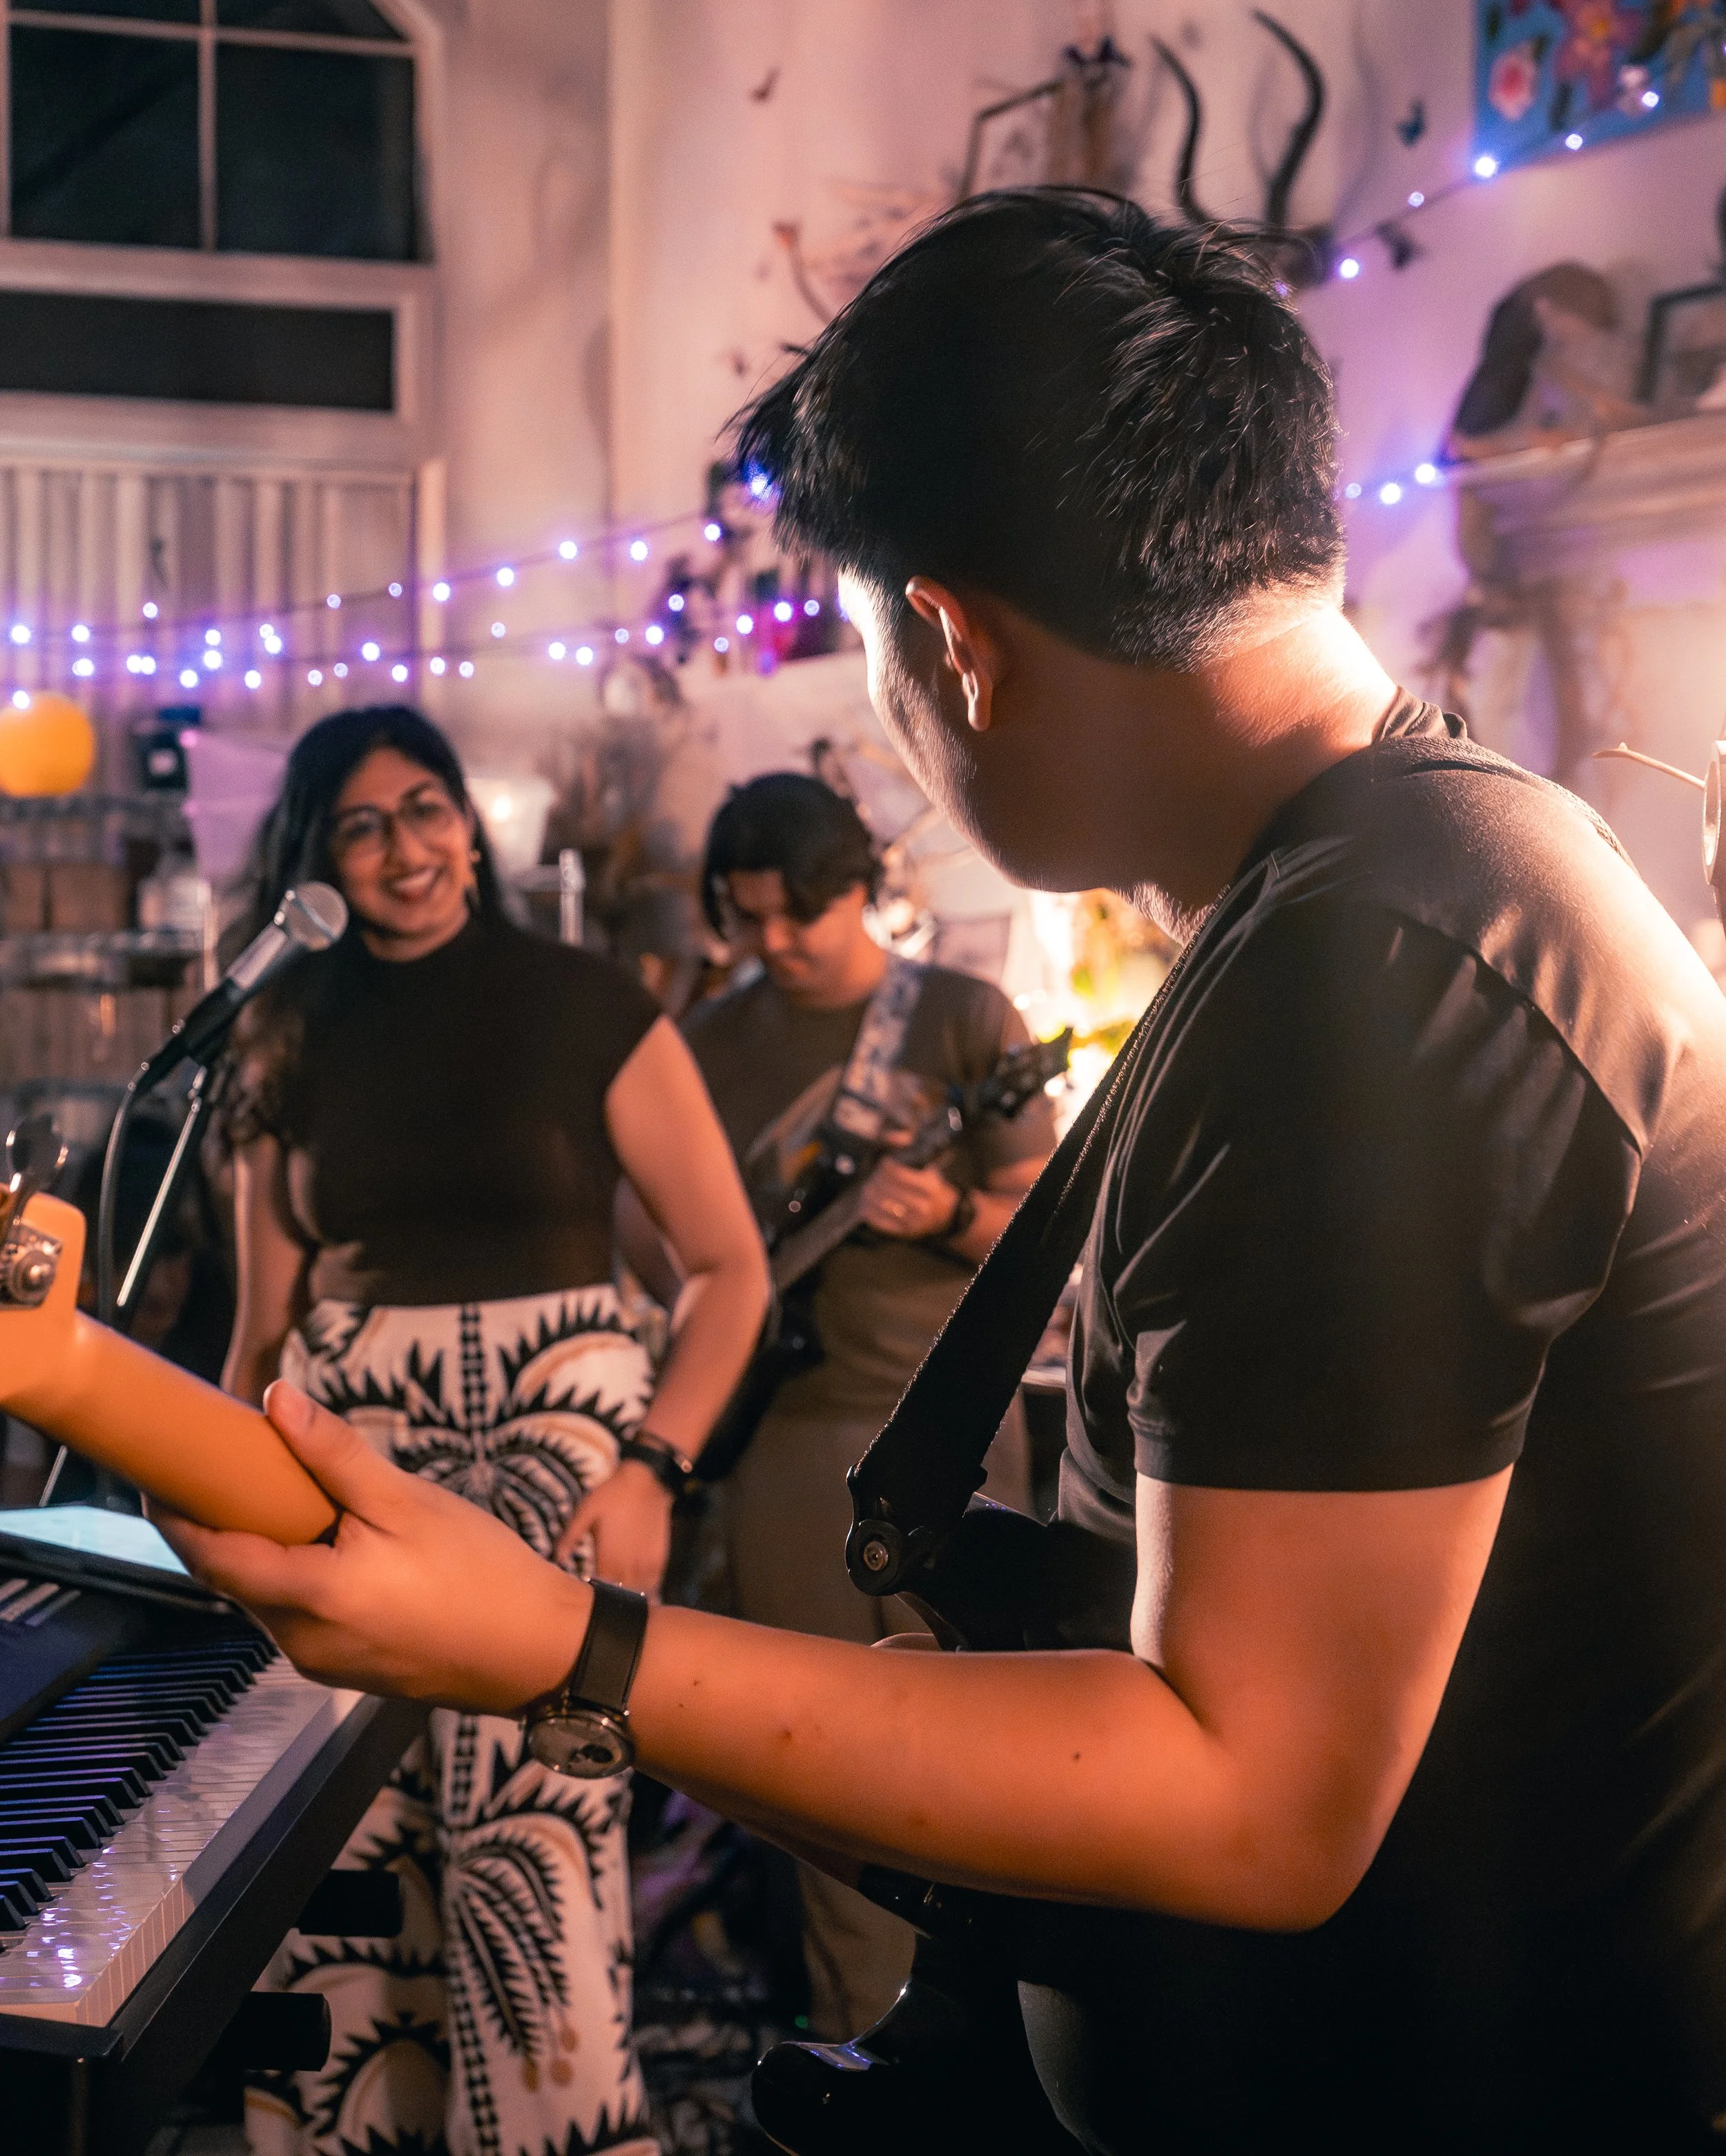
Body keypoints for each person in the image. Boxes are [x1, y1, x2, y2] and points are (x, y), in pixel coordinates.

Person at [157, 191, 1726, 2152]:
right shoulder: (1375, 887)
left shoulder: (1384, 959)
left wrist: (552, 1639)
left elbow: (1242, 1796)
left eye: (871, 650)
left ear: (957, 642)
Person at [218, 706, 768, 2156]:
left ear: (470, 819)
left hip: (557, 1471)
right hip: (349, 1469)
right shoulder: (280, 1032)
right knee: (342, 1855)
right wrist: (216, 1493)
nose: (407, 846)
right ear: (316, 860)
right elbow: (261, 1327)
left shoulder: (588, 1001)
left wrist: (655, 1467)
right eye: (364, 824)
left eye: (428, 806)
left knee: (538, 1847)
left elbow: (727, 1265)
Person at [681, 771, 1055, 2036]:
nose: (774, 945)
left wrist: (948, 1212)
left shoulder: (956, 1016)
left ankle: (1003, 2062)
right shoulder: (709, 1042)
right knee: (825, 1779)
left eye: (802, 915)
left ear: (863, 893)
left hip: (952, 1435)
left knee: (987, 1768)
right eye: (746, 919)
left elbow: (1055, 1231)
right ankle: (863, 2064)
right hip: (781, 1439)